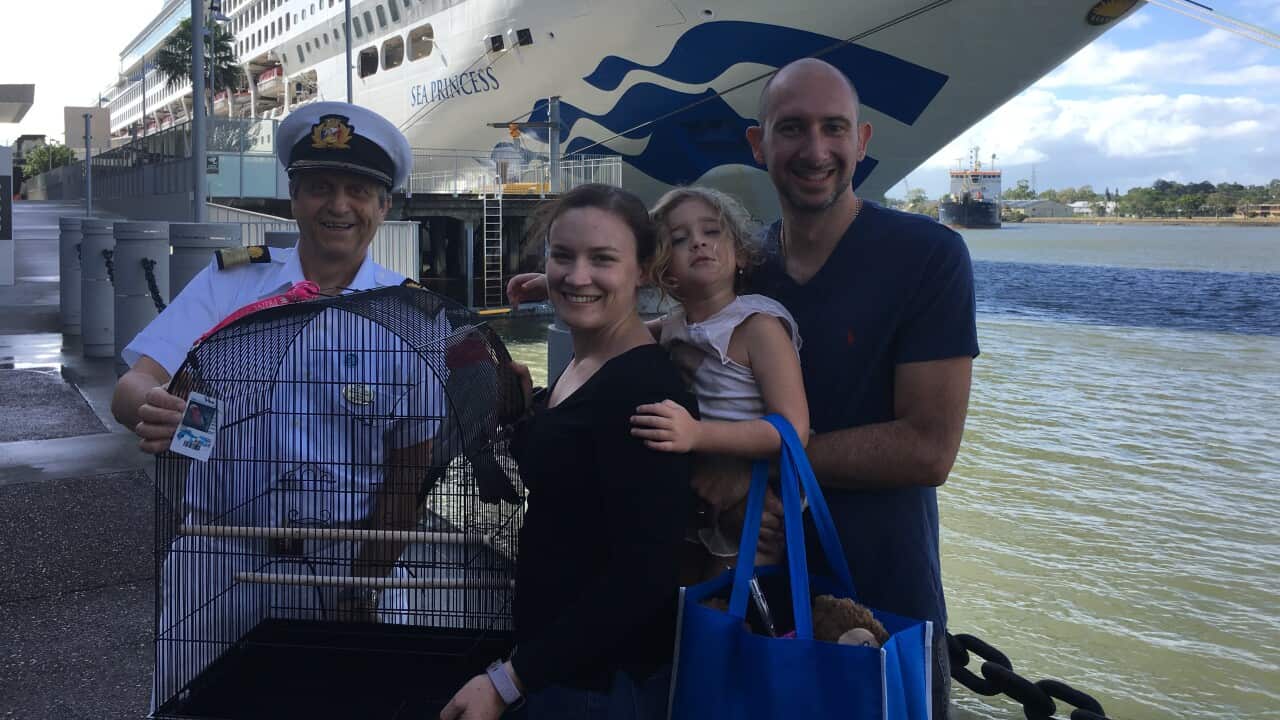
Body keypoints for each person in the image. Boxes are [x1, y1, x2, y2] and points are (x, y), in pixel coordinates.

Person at [507, 58, 978, 718]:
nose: (815, 150)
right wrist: (574, 291)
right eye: (792, 128)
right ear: (759, 145)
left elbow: (930, 449)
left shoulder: (927, 256)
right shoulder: (747, 262)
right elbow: (680, 323)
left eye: (833, 128)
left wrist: (740, 470)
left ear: (862, 140)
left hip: (876, 583)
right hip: (739, 588)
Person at [111, 102, 449, 705]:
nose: (338, 206)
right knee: (193, 705)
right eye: (319, 187)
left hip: (340, 560)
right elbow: (133, 386)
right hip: (215, 554)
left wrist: (364, 587)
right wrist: (161, 410)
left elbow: (409, 474)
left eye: (357, 190)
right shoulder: (230, 283)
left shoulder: (408, 315)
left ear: (384, 207)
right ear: (293, 197)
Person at [440, 184, 696, 720]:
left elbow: (643, 577)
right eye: (563, 256)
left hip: (599, 685)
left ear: (643, 270)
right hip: (558, 665)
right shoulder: (584, 364)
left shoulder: (644, 394)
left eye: (602, 259)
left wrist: (508, 682)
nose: (577, 277)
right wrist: (524, 411)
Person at [629, 186, 807, 579]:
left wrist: (697, 435)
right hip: (700, 493)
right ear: (663, 272)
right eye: (679, 239)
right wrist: (562, 287)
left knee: (727, 608)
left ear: (740, 254)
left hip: (756, 491)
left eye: (712, 232)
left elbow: (793, 430)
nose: (698, 243)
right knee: (686, 603)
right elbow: (619, 332)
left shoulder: (757, 326)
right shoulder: (675, 326)